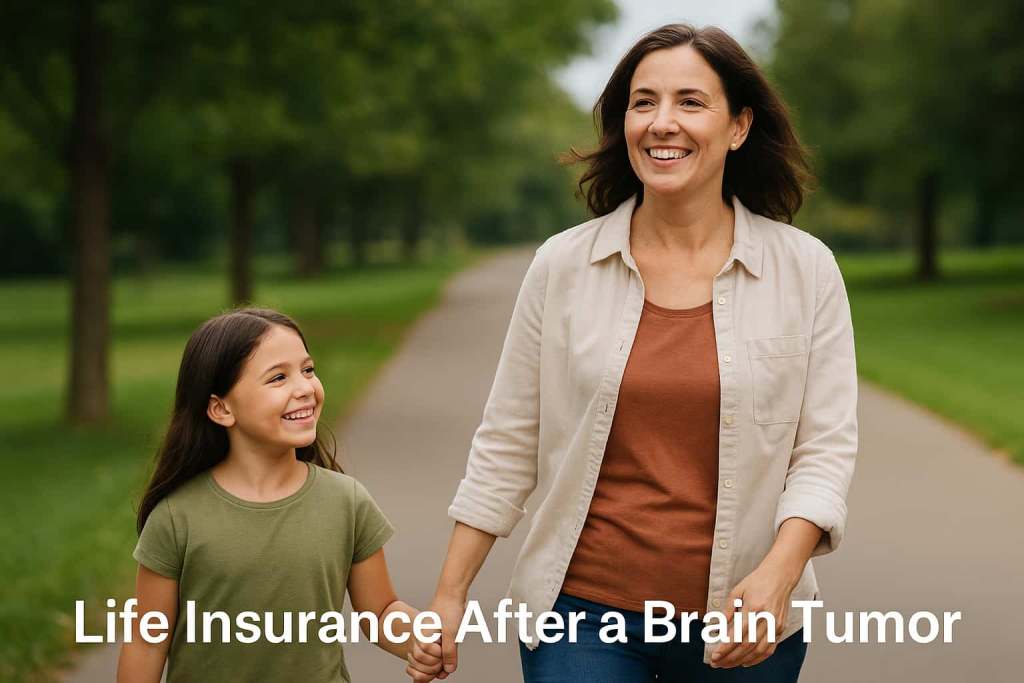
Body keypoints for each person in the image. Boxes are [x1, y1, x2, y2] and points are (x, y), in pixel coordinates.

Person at [427, 23, 858, 682]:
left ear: (739, 126)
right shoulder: (563, 266)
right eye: (643, 102)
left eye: (691, 102)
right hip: (582, 614)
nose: (662, 122)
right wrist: (449, 595)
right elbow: (508, 441)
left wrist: (781, 573)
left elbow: (823, 448)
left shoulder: (806, 270)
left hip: (743, 617)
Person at [117, 308, 443, 682]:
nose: (304, 388)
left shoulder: (346, 502)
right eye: (278, 378)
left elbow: (381, 611)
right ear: (222, 408)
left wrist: (420, 639)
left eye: (308, 370)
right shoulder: (178, 517)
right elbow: (147, 641)